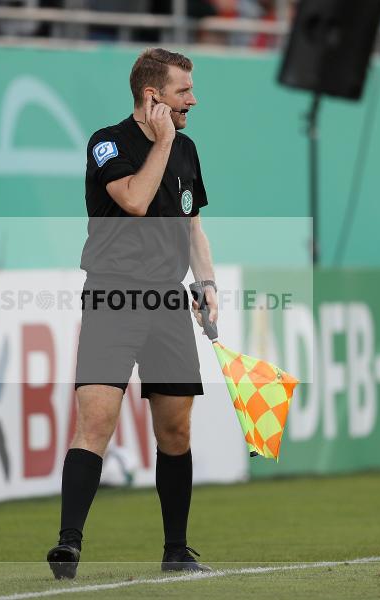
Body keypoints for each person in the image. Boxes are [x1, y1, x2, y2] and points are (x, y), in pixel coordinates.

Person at [46, 48, 218, 580]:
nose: (193, 98)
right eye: (183, 90)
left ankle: (176, 550)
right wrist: (162, 142)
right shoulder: (107, 143)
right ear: (153, 96)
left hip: (167, 299)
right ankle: (68, 545)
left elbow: (192, 228)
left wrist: (206, 284)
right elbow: (136, 200)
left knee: (176, 430)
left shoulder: (187, 149)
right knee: (95, 420)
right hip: (112, 297)